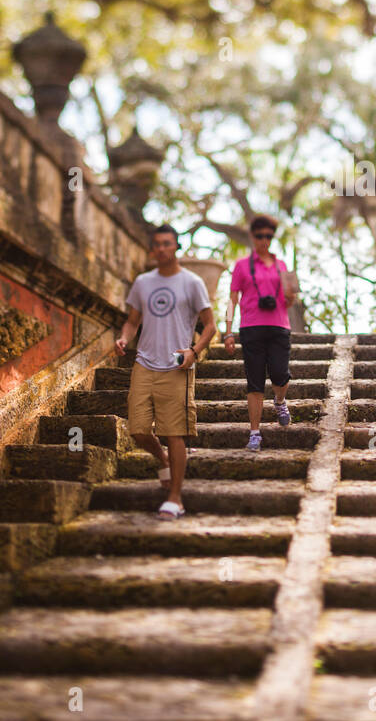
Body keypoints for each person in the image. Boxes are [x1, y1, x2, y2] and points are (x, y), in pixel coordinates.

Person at [115, 224, 216, 518]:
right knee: (137, 429)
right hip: (144, 362)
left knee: (175, 433)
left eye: (167, 243)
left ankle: (175, 498)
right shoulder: (143, 282)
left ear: (176, 247)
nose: (161, 249)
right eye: (157, 244)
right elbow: (133, 321)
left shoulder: (192, 282)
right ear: (152, 250)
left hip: (176, 365)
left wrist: (194, 352)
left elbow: (210, 326)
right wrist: (124, 338)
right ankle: (162, 459)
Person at [223, 214, 295, 451]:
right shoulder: (242, 265)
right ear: (252, 237)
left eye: (269, 236)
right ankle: (255, 432)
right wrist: (228, 331)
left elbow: (290, 300)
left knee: (280, 374)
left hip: (279, 326)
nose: (264, 240)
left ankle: (280, 400)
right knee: (254, 382)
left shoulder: (282, 265)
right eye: (260, 236)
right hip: (251, 327)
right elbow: (233, 299)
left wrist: (291, 294)